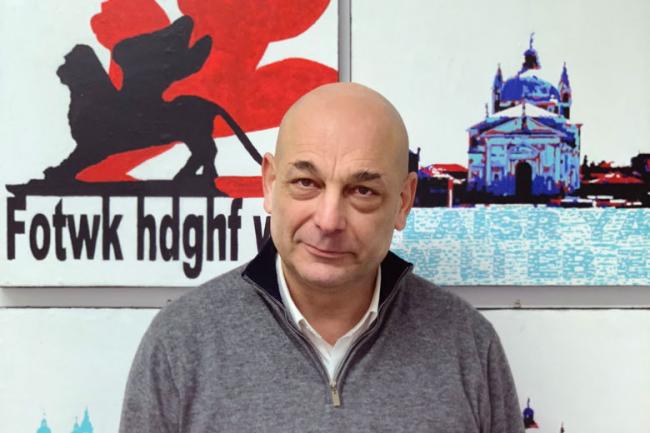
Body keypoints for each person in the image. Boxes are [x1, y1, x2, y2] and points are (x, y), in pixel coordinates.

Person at [119, 82, 524, 433]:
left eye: (362, 191)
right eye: (306, 183)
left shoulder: (469, 346)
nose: (329, 221)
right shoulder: (180, 344)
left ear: (403, 202)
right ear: (269, 184)